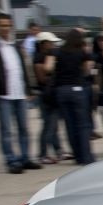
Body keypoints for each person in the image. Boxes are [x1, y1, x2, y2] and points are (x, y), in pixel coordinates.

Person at [0, 13, 41, 173]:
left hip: (19, 93)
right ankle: (11, 160)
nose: (5, 28)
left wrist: (28, 89)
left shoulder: (15, 45)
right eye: (2, 25)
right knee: (6, 130)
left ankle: (25, 158)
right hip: (3, 94)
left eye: (8, 25)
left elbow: (22, 68)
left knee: (23, 128)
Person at [43, 29, 94, 165]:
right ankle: (86, 157)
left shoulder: (56, 51)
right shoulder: (83, 53)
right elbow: (87, 70)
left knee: (69, 125)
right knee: (82, 125)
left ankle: (77, 156)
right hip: (77, 89)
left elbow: (47, 68)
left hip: (61, 91)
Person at [32, 31, 67, 164]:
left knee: (53, 126)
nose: (53, 45)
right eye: (51, 43)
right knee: (49, 126)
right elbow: (42, 78)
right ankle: (42, 154)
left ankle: (59, 151)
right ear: (43, 44)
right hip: (46, 96)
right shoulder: (39, 58)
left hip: (51, 94)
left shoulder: (49, 56)